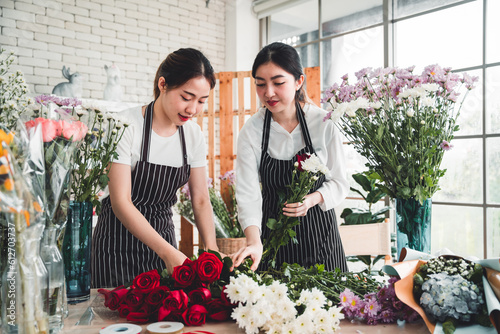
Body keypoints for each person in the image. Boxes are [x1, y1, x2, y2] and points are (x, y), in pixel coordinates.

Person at [92, 48, 219, 288]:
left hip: (164, 244)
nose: (193, 109)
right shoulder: (126, 125)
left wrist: (211, 251)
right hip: (117, 248)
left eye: (202, 101)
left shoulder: (193, 135)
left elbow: (201, 199)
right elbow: (121, 202)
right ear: (163, 84)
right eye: (186, 97)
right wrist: (168, 252)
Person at [231, 42, 349, 272]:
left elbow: (340, 183)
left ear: (298, 81)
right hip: (273, 244)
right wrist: (254, 243)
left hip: (321, 241)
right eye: (260, 84)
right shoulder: (252, 131)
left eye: (278, 83)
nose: (269, 93)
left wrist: (312, 199)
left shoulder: (323, 124)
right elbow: (248, 194)